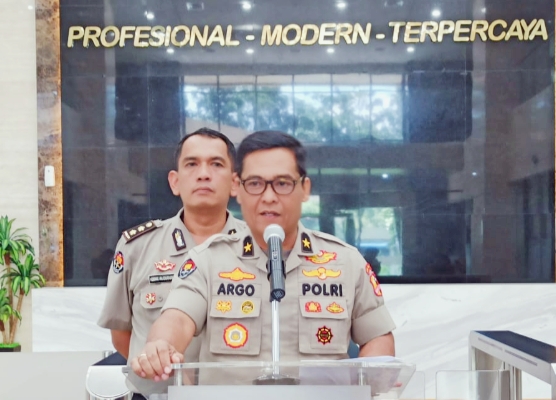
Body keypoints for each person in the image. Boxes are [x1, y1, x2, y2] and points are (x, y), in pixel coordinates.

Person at [131, 131, 396, 382]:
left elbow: (377, 337)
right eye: (255, 184)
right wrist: (161, 345)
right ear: (238, 188)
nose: (269, 197)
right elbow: (176, 319)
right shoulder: (207, 260)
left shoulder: (345, 261)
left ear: (304, 188)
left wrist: (369, 380)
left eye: (282, 184)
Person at [97, 128, 246, 399]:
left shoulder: (257, 248)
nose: (203, 174)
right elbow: (122, 336)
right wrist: (161, 371)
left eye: (216, 164)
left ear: (235, 182)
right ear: (175, 182)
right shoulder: (137, 248)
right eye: (192, 164)